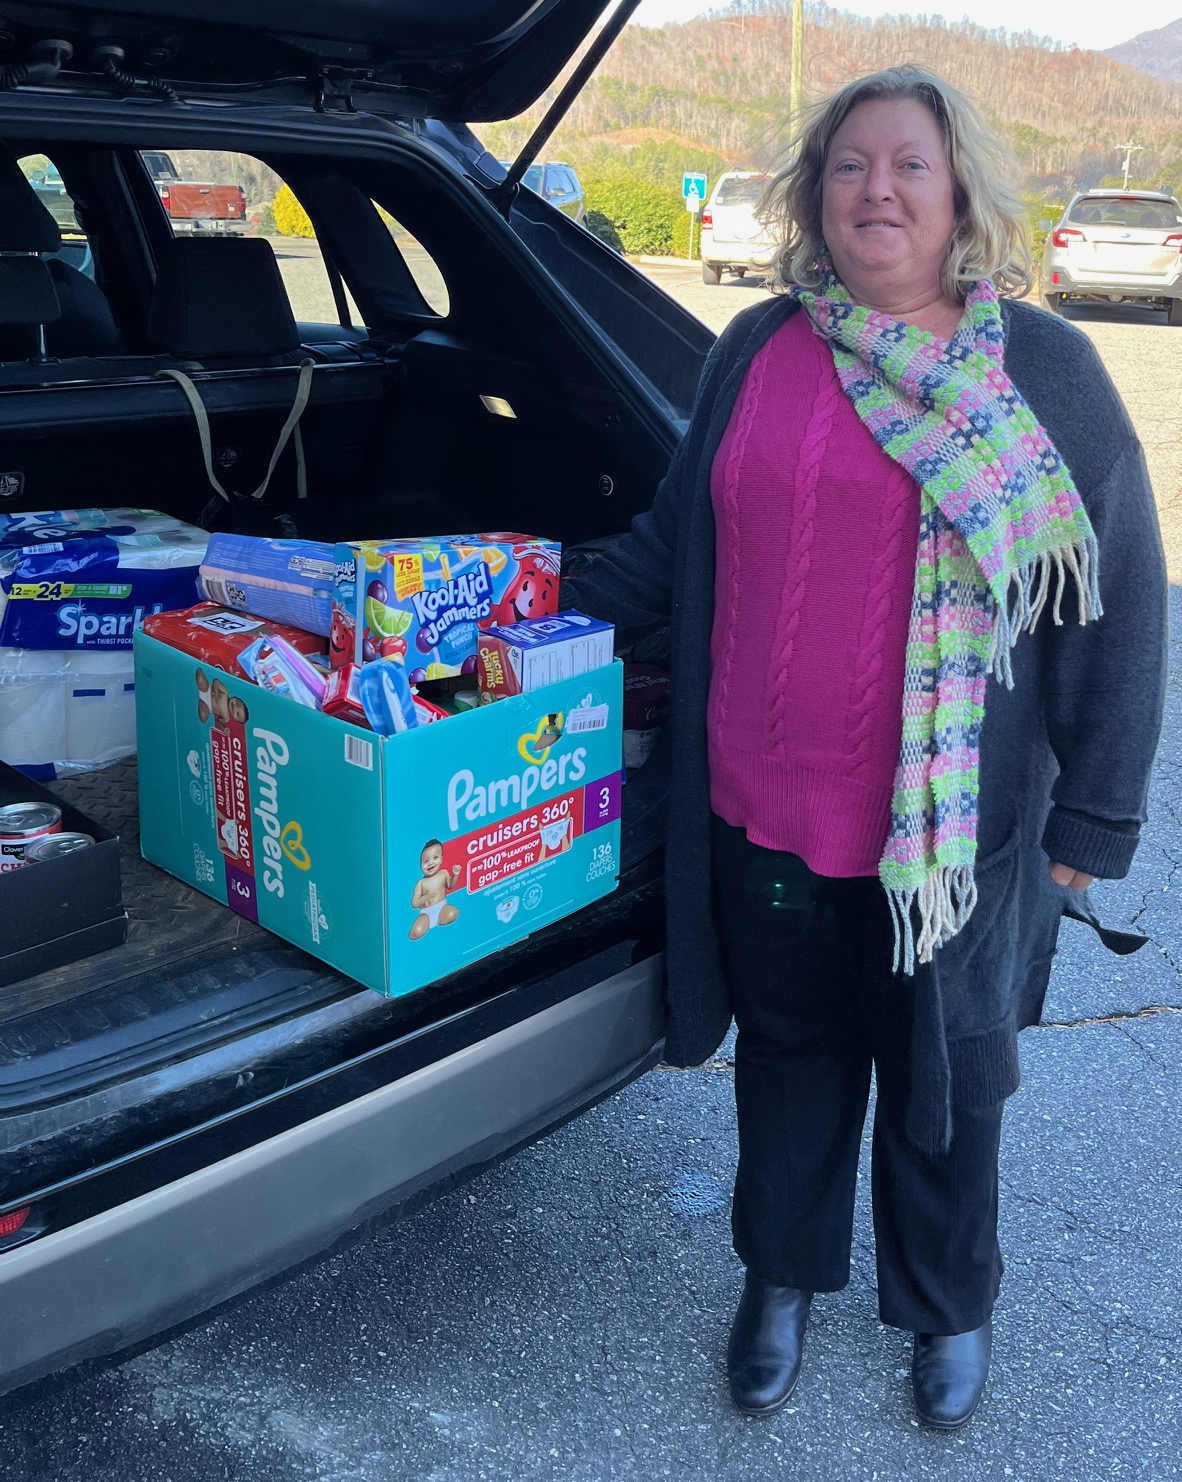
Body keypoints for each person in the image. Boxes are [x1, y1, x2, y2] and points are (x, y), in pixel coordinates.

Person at [563, 65, 1167, 1431]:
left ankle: (947, 1300)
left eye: (904, 165)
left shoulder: (1040, 373)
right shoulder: (757, 348)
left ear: (959, 193)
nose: (872, 192)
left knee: (941, 1075)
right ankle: (778, 1276)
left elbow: (1113, 601)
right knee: (788, 1048)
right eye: (843, 167)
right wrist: (515, 601)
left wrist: (1094, 826)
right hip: (758, 806)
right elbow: (674, 543)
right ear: (810, 196)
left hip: (946, 840)